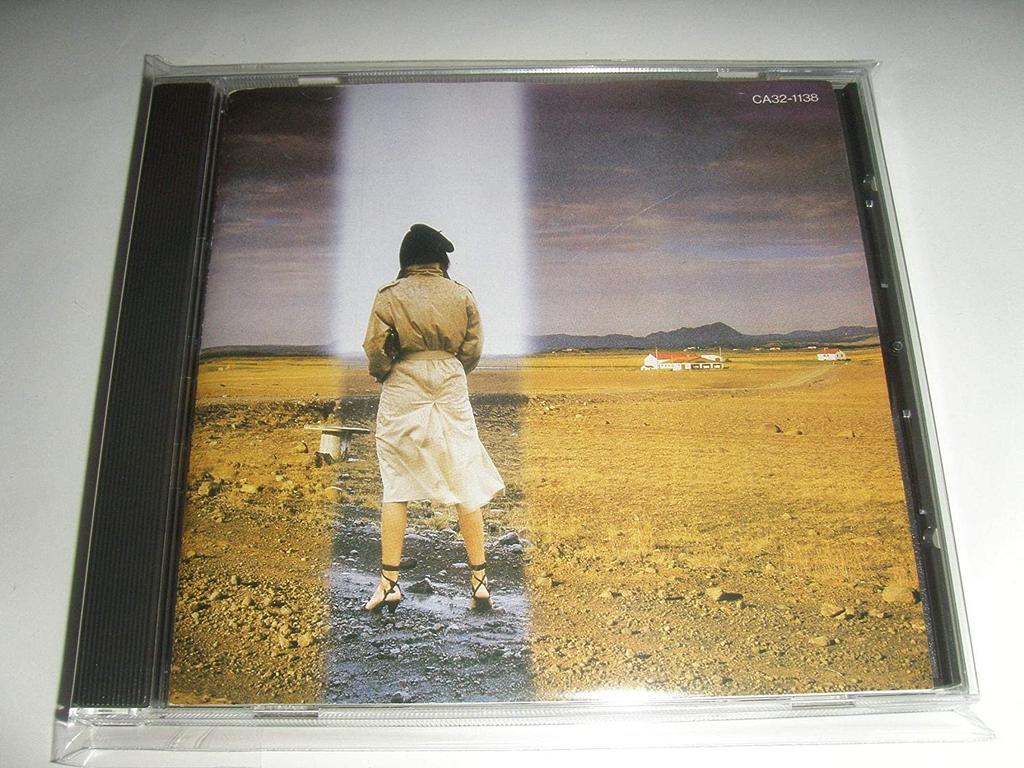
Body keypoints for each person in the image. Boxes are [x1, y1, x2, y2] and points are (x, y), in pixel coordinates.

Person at [361, 224, 505, 614]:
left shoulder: (389, 295)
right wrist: (450, 369)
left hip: (404, 380)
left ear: (406, 258)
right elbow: (473, 348)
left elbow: (375, 348)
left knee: (396, 482)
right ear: (440, 260)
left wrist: (385, 372)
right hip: (450, 379)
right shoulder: (462, 294)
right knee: (465, 475)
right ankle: (480, 584)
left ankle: (389, 584)